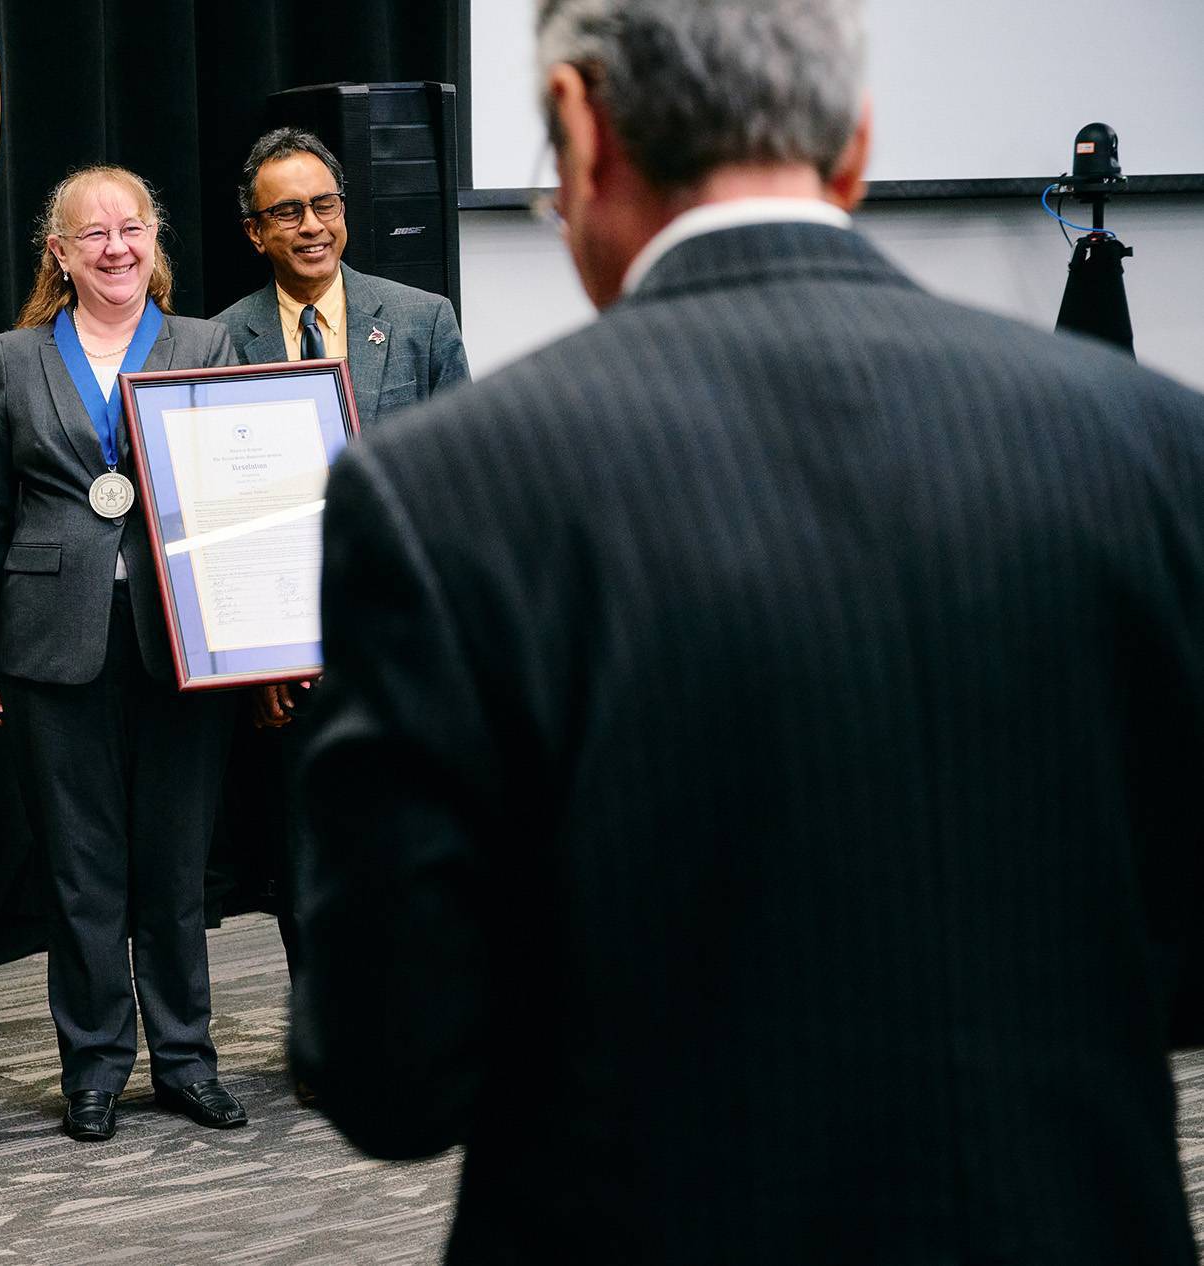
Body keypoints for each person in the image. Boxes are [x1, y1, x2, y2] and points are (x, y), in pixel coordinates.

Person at [292, 0, 1204, 1260]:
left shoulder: (439, 493)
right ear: (856, 144)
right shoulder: (1154, 446)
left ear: (577, 125)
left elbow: (389, 1071)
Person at [0, 165, 248, 1144]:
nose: (116, 248)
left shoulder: (207, 344)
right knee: (82, 875)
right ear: (60, 253)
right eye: (95, 235)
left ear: (153, 241)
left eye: (133, 230)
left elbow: (246, 491)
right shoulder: (16, 355)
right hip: (52, 649)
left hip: (181, 641)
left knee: (175, 869)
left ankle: (186, 1063)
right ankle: (94, 1069)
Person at [211, 126, 470, 990]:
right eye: (288, 211)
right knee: (306, 845)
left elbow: (452, 490)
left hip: (396, 634)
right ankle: (331, 1023)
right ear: (255, 231)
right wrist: (255, 657)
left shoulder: (423, 321)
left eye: (325, 205)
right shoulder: (218, 342)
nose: (312, 225)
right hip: (282, 646)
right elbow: (214, 511)